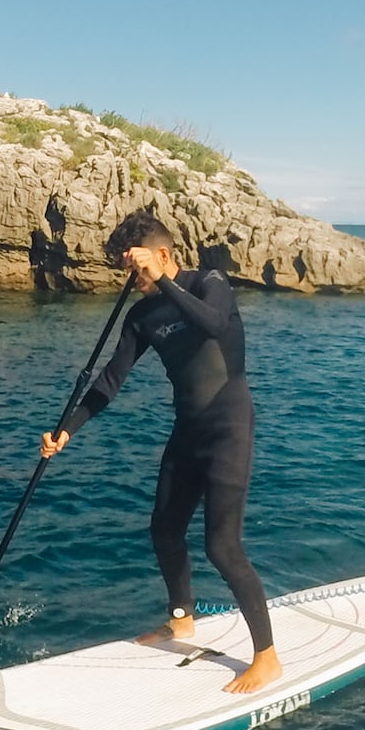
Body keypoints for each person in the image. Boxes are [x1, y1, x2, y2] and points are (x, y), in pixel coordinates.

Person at [40, 211, 283, 695]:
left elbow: (212, 324)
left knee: (222, 546)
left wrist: (162, 281)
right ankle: (182, 620)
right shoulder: (141, 316)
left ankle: (267, 657)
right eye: (128, 271)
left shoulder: (210, 282)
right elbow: (110, 380)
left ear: (163, 255)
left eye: (135, 268)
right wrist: (68, 429)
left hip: (229, 427)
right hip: (188, 430)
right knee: (164, 529)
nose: (132, 280)